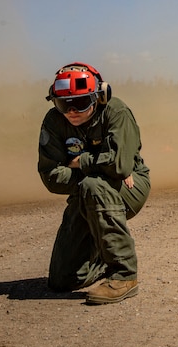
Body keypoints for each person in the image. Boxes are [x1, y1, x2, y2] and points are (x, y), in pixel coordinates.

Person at [37, 62, 151, 304]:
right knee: (63, 280)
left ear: (99, 97)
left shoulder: (116, 112)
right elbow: (51, 177)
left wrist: (80, 161)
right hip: (86, 192)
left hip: (131, 188)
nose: (71, 111)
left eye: (80, 103)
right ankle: (100, 258)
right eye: (63, 104)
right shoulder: (54, 121)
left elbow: (121, 166)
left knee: (93, 186)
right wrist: (103, 168)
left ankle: (124, 275)